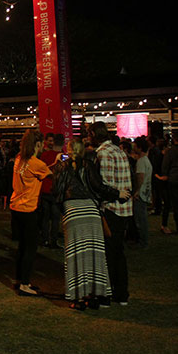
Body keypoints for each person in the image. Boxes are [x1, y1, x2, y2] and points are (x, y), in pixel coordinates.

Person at [54, 137, 126, 310]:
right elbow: (98, 186)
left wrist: (64, 211)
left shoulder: (61, 167)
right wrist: (117, 194)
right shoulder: (89, 164)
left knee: (74, 256)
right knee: (96, 256)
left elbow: (57, 191)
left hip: (72, 211)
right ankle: (98, 294)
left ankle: (77, 297)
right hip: (91, 212)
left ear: (68, 149)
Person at [89, 121, 133, 306]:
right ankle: (121, 293)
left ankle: (107, 294)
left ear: (93, 134)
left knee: (108, 254)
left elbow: (105, 185)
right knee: (118, 253)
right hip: (124, 209)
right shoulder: (119, 151)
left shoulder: (103, 154)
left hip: (111, 209)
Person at [10, 129, 53, 296]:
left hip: (16, 207)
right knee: (30, 248)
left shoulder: (19, 159)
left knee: (22, 246)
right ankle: (25, 284)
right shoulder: (36, 163)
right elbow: (52, 174)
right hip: (28, 209)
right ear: (37, 144)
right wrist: (58, 162)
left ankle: (20, 279)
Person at [38, 133, 61, 249]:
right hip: (53, 189)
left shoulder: (43, 155)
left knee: (46, 217)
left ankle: (46, 239)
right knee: (54, 218)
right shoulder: (59, 156)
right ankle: (53, 240)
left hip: (46, 189)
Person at [131, 137, 152, 248]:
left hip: (141, 193)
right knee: (142, 217)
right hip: (145, 191)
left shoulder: (140, 162)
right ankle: (143, 240)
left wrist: (137, 190)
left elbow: (140, 176)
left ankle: (143, 241)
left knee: (140, 218)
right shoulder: (146, 160)